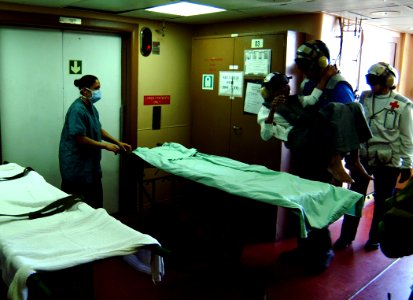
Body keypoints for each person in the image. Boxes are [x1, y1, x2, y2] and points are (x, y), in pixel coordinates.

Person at [334, 62, 413, 251]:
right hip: (364, 158)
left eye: (376, 81)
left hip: (388, 161)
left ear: (389, 81)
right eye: (370, 80)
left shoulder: (402, 105)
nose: (372, 85)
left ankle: (374, 238)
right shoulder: (365, 98)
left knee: (383, 202)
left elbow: (407, 137)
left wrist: (406, 164)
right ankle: (346, 237)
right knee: (354, 198)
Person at [257, 69, 373, 184]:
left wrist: (325, 76)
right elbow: (265, 136)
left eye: (285, 85)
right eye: (279, 87)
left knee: (354, 106)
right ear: (267, 92)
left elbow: (313, 98)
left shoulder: (295, 100)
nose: (284, 89)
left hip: (310, 129)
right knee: (332, 117)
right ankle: (335, 162)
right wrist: (272, 110)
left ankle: (354, 159)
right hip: (297, 138)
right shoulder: (265, 111)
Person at [59, 74, 132, 209]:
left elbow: (98, 129)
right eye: (96, 88)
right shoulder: (77, 109)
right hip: (76, 167)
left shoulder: (91, 107)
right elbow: (79, 137)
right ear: (85, 91)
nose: (99, 92)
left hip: (90, 167)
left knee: (95, 205)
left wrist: (117, 142)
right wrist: (105, 146)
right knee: (76, 209)